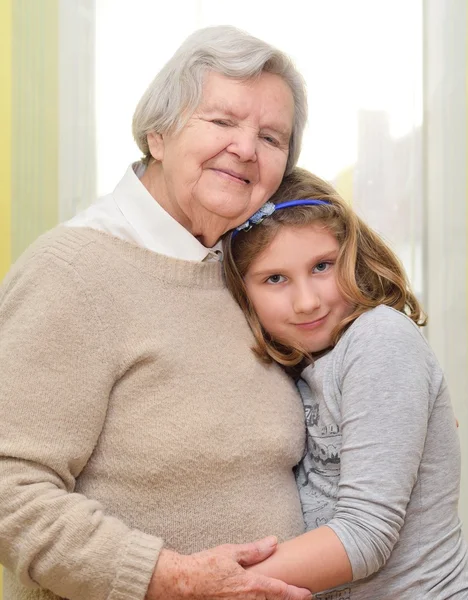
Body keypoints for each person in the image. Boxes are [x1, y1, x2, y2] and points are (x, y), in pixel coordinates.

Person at [0, 26, 313, 600]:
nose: (245, 148)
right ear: (158, 135)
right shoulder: (73, 271)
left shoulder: (247, 273)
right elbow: (8, 486)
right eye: (221, 122)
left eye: (271, 137)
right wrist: (173, 579)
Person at [223, 167, 468, 598]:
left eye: (322, 266)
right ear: (243, 292)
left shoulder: (379, 338)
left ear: (352, 255)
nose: (307, 302)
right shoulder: (298, 363)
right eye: (275, 278)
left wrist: (214, 586)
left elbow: (366, 535)